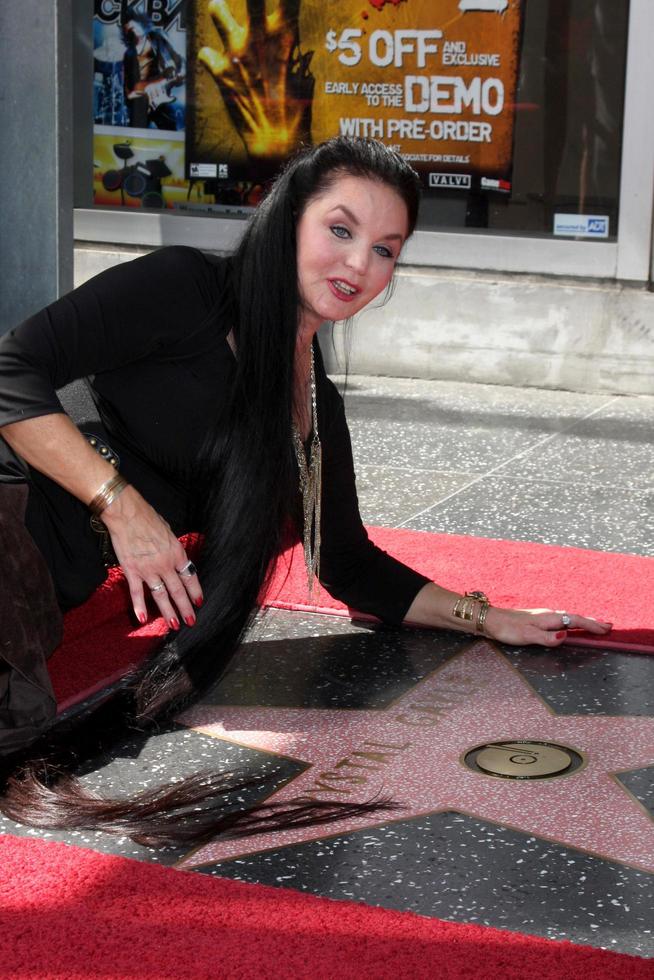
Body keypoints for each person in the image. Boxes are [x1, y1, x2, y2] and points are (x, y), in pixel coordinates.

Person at [0, 137, 611, 847]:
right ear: (288, 216)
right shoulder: (187, 287)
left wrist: (489, 617)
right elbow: (12, 367)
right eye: (341, 229)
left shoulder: (314, 410)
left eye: (387, 249)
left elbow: (347, 562)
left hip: (38, 590)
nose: (359, 264)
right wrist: (123, 505)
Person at [121, 7, 184, 131]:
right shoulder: (129, 54)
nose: (133, 33)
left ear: (142, 25)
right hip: (140, 103)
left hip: (161, 100)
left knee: (170, 133)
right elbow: (130, 91)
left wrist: (175, 76)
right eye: (128, 31)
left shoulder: (157, 39)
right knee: (135, 136)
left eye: (134, 28)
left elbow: (179, 63)